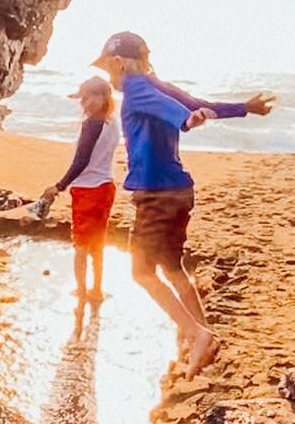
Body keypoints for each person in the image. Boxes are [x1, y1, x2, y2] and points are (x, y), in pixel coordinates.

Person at [92, 30, 274, 376]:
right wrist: (244, 108)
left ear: (119, 62)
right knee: (173, 269)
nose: (109, 77)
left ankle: (197, 335)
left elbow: (178, 111)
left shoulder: (138, 88)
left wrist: (187, 121)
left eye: (108, 69)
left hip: (157, 195)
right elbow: (193, 103)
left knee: (142, 273)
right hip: (178, 191)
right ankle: (201, 338)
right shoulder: (159, 84)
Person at [37, 75, 121, 301]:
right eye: (84, 98)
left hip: (87, 190)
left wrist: (59, 186)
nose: (86, 103)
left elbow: (81, 161)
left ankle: (82, 291)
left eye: (92, 96)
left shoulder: (91, 124)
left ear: (105, 97)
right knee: (98, 241)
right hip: (106, 186)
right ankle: (97, 289)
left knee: (81, 244)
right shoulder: (112, 123)